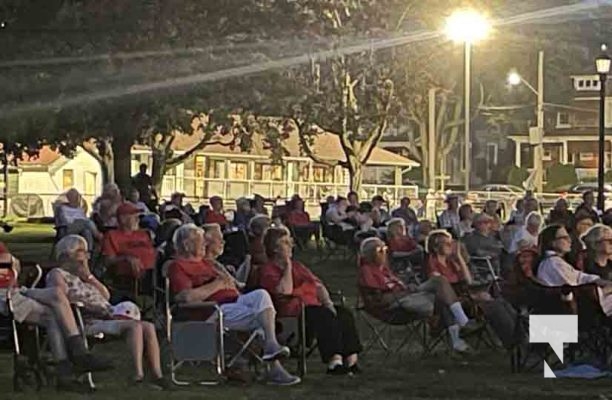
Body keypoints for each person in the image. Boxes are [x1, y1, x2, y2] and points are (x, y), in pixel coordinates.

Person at [167, 224, 300, 386]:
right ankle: (273, 368)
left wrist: (229, 282)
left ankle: (271, 345)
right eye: (201, 241)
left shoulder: (209, 264)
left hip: (234, 303)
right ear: (187, 245)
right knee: (264, 320)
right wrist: (217, 285)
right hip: (213, 311)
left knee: (261, 295)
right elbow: (185, 298)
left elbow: (232, 284)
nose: (205, 245)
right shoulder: (177, 266)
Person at [47, 235, 168, 389]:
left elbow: (105, 295)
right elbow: (62, 298)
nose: (87, 256)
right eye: (81, 251)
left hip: (106, 315)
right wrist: (90, 306)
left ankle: (157, 375)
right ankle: (137, 376)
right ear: (66, 254)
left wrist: (88, 276)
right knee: (135, 327)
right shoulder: (57, 274)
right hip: (86, 319)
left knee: (148, 326)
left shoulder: (83, 276)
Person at [0, 243, 112, 390]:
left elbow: (13, 265)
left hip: (15, 292)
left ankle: (72, 364)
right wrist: (8, 262)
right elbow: (9, 261)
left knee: (56, 300)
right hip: (3, 296)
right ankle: (75, 360)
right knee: (54, 309)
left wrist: (10, 265)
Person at [259, 227, 362, 374]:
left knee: (343, 313)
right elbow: (284, 292)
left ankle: (351, 361)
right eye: (285, 243)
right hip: (291, 316)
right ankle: (335, 361)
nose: (290, 245)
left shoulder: (299, 267)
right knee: (322, 315)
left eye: (290, 242)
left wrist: (328, 303)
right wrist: (287, 266)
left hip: (313, 308)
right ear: (274, 248)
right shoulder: (267, 270)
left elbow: (318, 285)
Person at [358, 237, 477, 353]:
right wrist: (405, 292)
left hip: (409, 295)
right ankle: (458, 331)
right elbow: (380, 298)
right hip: (396, 304)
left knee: (440, 283)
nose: (384, 252)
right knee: (441, 292)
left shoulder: (384, 269)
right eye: (380, 250)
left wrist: (408, 287)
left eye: (385, 249)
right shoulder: (367, 270)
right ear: (370, 254)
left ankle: (456, 331)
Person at [535, 224, 612, 316]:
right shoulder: (553, 264)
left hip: (581, 303)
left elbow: (579, 276)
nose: (569, 240)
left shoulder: (557, 261)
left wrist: (599, 280)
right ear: (552, 242)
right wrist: (605, 289)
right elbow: (575, 289)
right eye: (564, 237)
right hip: (569, 311)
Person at [102, 202, 156, 280]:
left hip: (154, 272)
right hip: (129, 277)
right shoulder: (112, 235)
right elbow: (108, 262)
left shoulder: (144, 234)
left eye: (138, 216)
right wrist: (126, 258)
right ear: (122, 219)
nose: (138, 219)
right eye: (134, 216)